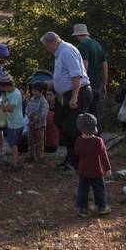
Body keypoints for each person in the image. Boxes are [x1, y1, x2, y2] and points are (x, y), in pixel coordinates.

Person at [42, 30, 93, 172]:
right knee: (60, 120)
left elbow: (76, 75)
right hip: (70, 93)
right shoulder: (61, 52)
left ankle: (75, 162)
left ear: (52, 42)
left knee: (73, 128)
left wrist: (74, 96)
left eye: (47, 46)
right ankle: (69, 158)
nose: (47, 49)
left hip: (79, 92)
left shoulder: (66, 52)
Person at [74, 113, 112, 217]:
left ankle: (82, 209)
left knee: (82, 190)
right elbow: (104, 156)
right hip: (96, 171)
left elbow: (77, 153)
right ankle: (102, 207)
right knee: (99, 189)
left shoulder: (78, 141)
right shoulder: (98, 141)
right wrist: (108, 169)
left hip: (83, 171)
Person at [70, 24, 109, 119]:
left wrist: (80, 86)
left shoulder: (83, 46)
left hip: (88, 87)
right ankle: (98, 133)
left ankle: (88, 134)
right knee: (95, 115)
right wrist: (104, 84)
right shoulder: (97, 44)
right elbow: (104, 65)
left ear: (78, 35)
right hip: (97, 85)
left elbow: (84, 65)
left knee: (86, 117)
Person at [0, 73, 24, 171]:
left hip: (15, 123)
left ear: (7, 86)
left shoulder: (15, 94)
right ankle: (15, 160)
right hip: (13, 122)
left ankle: (14, 164)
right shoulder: (9, 93)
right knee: (13, 143)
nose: (1, 89)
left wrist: (0, 107)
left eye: (2, 87)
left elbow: (11, 108)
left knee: (13, 144)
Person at [25, 80, 50, 164]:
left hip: (40, 126)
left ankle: (40, 157)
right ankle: (31, 155)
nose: (33, 92)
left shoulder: (44, 102)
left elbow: (42, 115)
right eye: (33, 90)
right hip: (31, 124)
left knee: (39, 142)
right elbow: (27, 109)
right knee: (30, 141)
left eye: (35, 91)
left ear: (41, 91)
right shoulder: (32, 99)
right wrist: (29, 116)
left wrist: (35, 119)